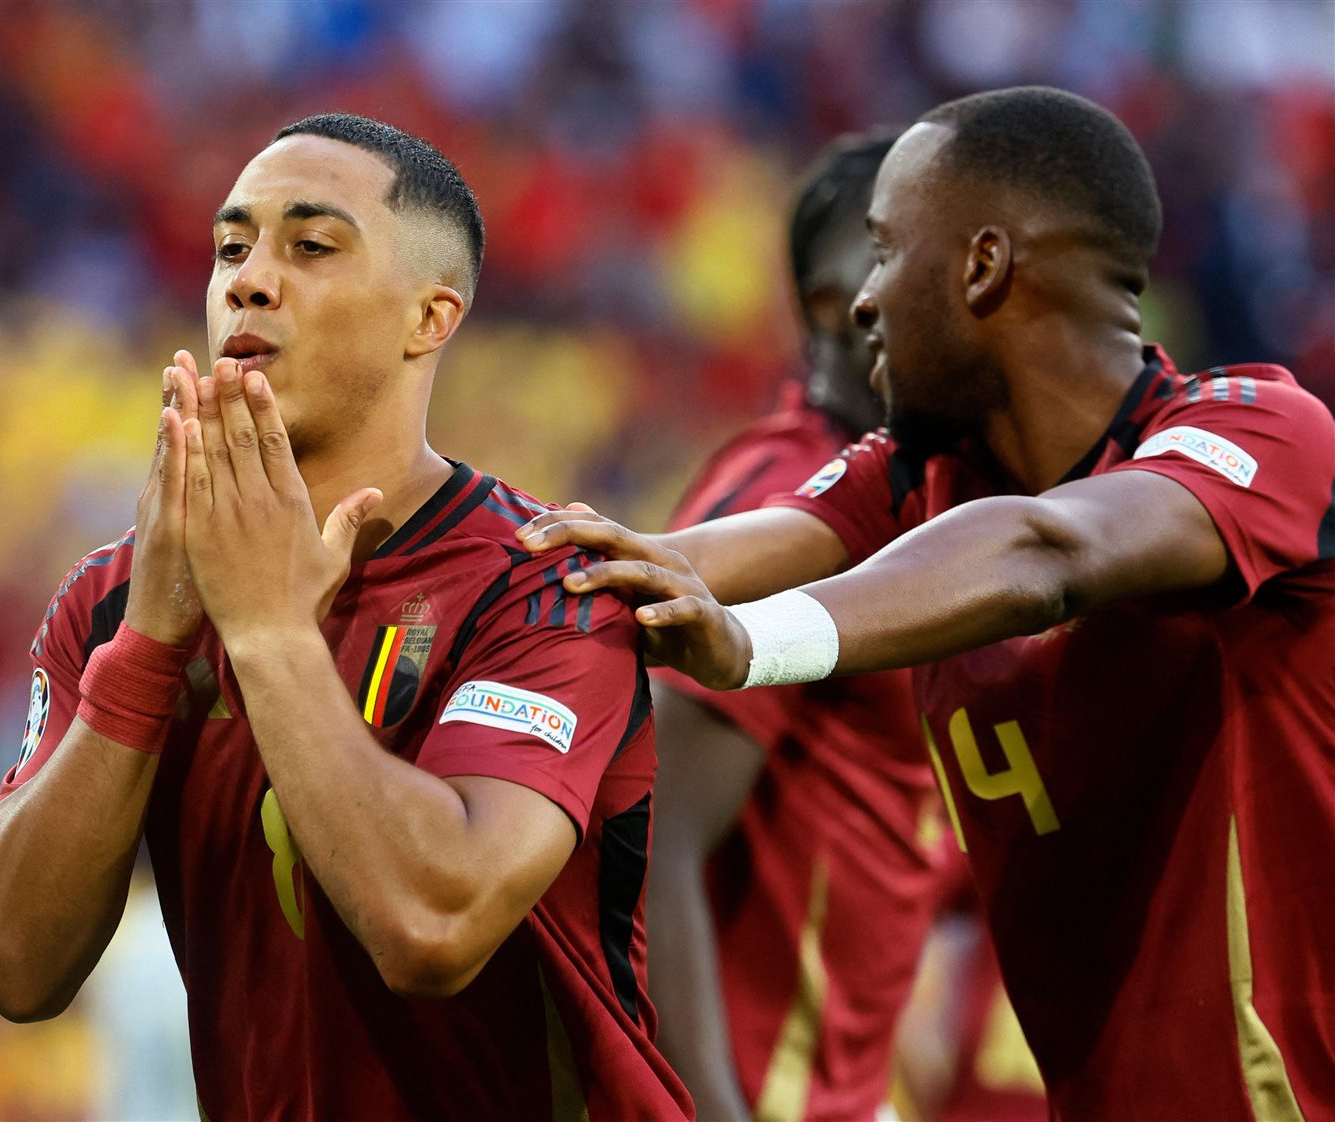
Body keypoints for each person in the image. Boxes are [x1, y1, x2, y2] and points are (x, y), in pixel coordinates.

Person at [518, 86, 1335, 1121]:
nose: (863, 300)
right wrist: (481, 565)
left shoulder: (1260, 433)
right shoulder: (915, 477)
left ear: (982, 265)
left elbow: (1050, 552)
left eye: (886, 249)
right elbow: (696, 559)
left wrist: (747, 643)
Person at [0, 113, 692, 1122]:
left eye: (310, 247)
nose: (249, 281)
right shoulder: (121, 598)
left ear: (429, 318)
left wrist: (267, 634)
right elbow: (9, 966)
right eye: (231, 249)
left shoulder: (543, 586)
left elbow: (434, 925)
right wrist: (151, 648)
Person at [647, 131, 952, 1122]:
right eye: (903, 253)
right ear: (835, 306)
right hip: (753, 1094)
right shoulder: (784, 504)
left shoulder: (913, 500)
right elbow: (649, 829)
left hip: (838, 1090)